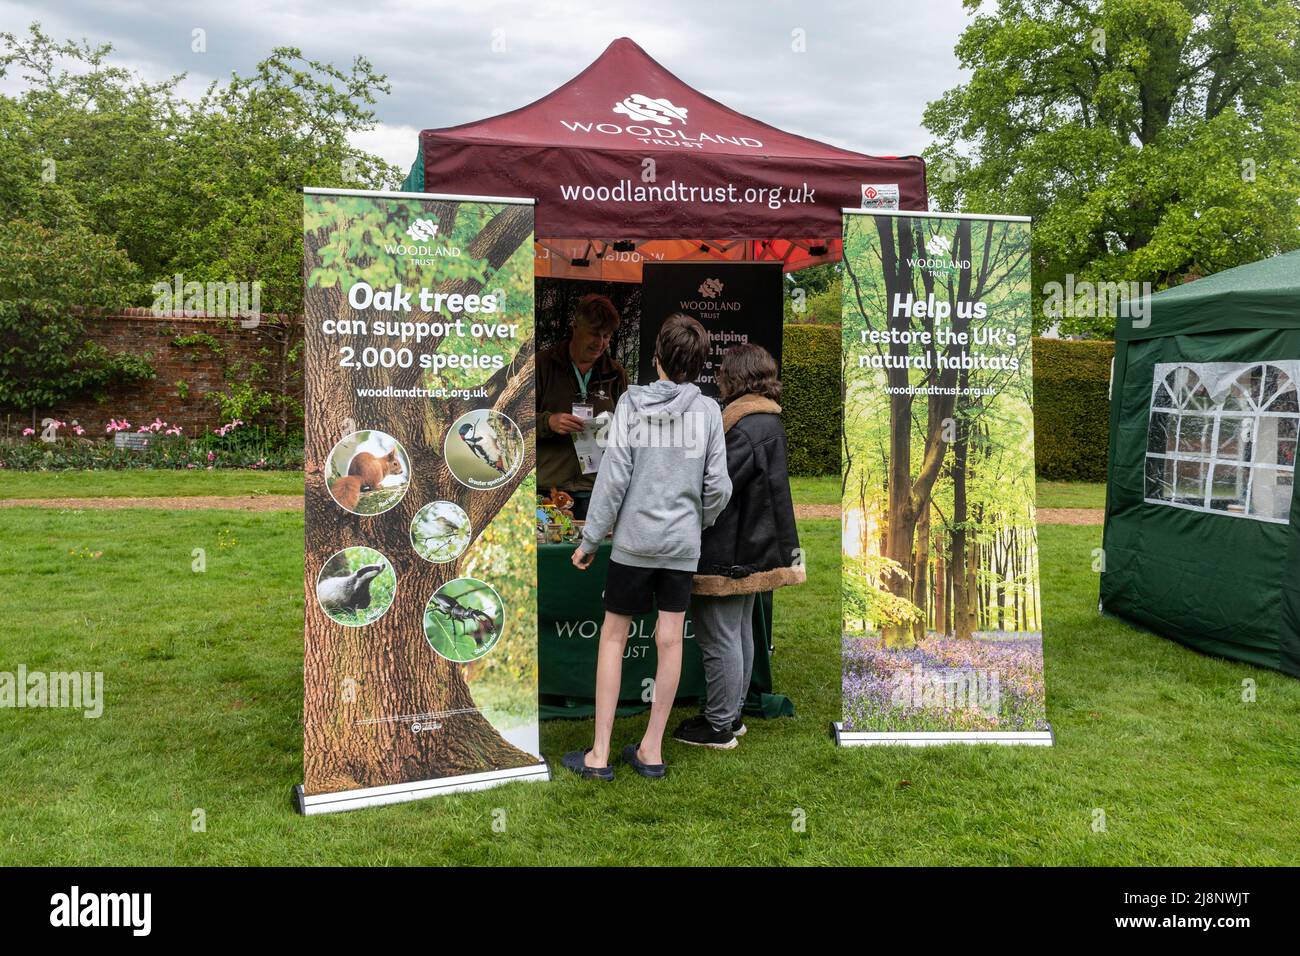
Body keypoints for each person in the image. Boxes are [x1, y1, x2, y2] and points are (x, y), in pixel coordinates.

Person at [562, 313, 732, 781]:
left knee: (613, 640)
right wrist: (696, 522)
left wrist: (590, 538)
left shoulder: (631, 407)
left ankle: (599, 755)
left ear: (656, 357)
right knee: (671, 641)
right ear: (699, 365)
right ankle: (651, 751)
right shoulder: (709, 413)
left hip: (633, 546)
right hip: (680, 546)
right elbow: (718, 486)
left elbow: (613, 480)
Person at [673, 343, 805, 750]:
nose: (718, 377)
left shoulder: (743, 427)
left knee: (719, 636)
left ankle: (718, 726)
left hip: (729, 548)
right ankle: (730, 715)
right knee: (739, 631)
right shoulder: (764, 420)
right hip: (751, 546)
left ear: (739, 376)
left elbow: (716, 485)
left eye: (724, 371)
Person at [536, 294, 628, 519]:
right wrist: (548, 422)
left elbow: (628, 431)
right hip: (548, 489)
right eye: (594, 334)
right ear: (575, 327)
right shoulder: (541, 365)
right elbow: (511, 423)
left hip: (596, 490)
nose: (600, 343)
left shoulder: (616, 374)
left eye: (607, 336)